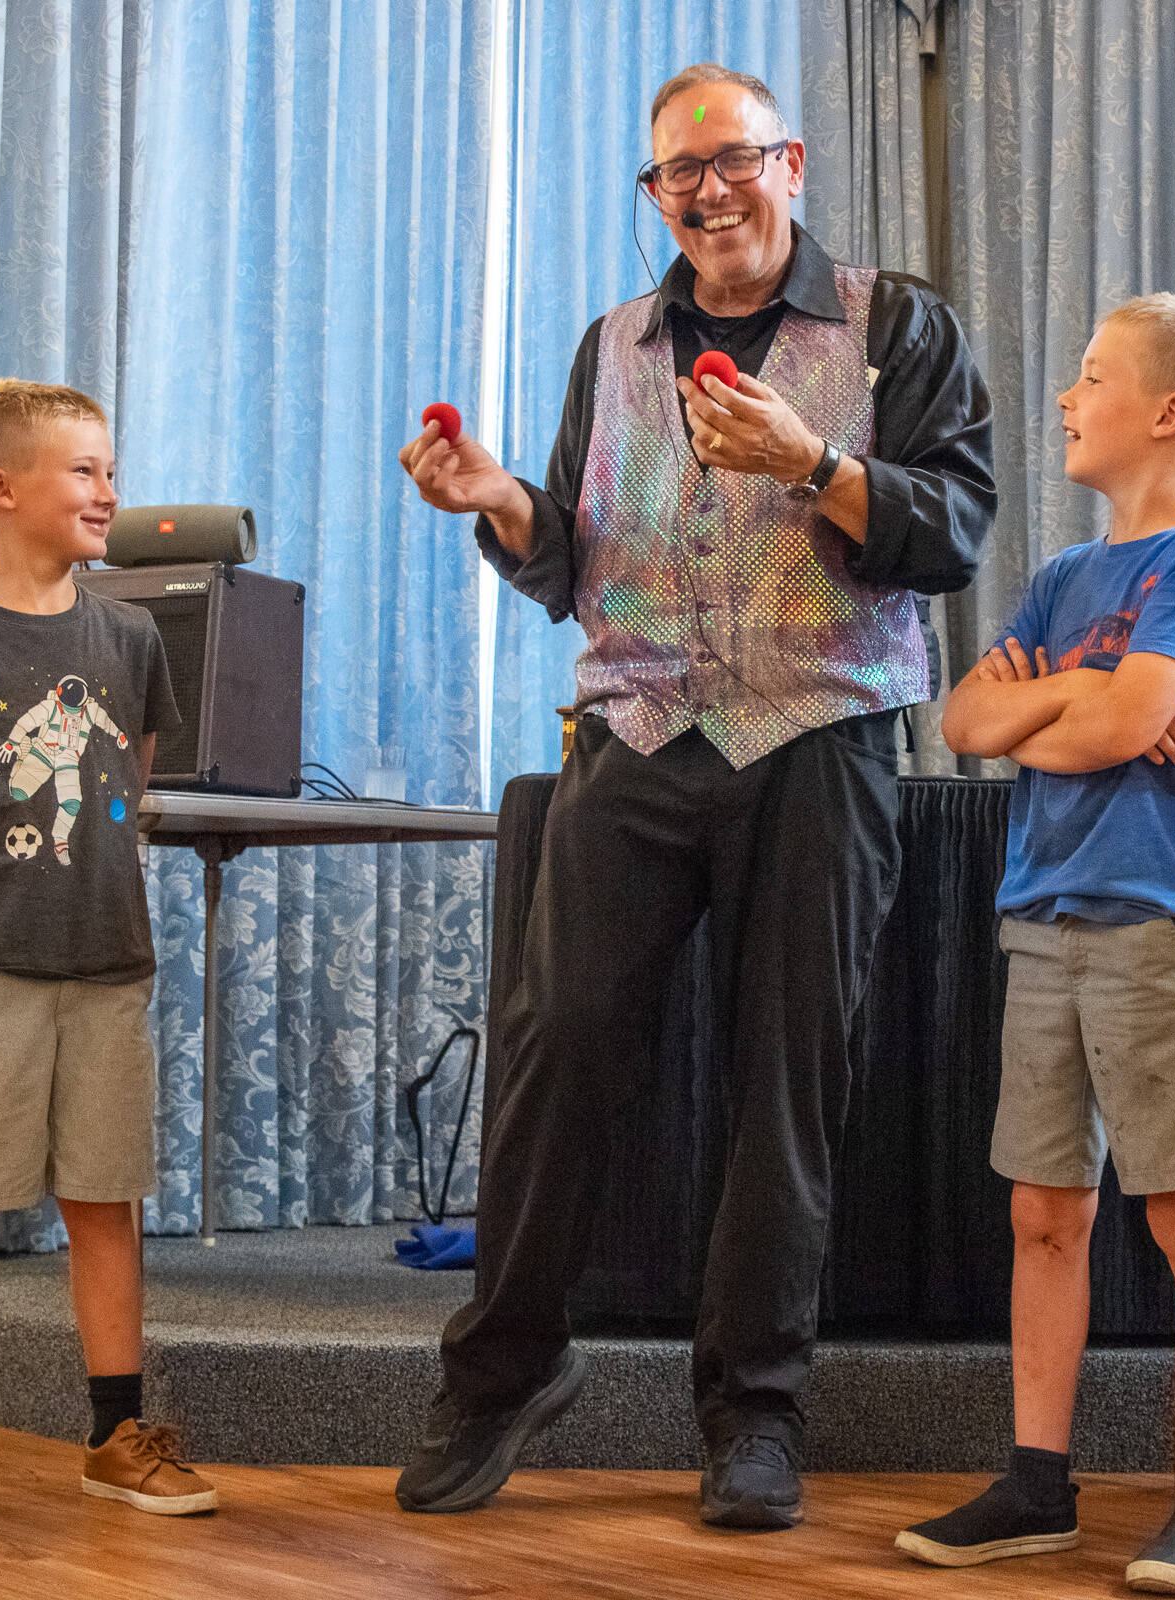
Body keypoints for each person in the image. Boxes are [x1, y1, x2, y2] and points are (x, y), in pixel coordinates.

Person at [395, 63, 996, 1529]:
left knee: (785, 1085)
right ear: (656, 194)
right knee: (556, 1054)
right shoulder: (614, 343)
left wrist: (822, 467)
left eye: (733, 160)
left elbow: (959, 527)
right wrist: (496, 502)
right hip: (641, 730)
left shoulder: (896, 323)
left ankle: (755, 1417)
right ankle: (503, 1373)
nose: (710, 192)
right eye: (682, 173)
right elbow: (570, 555)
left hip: (820, 734)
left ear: (789, 163)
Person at [897, 294, 1175, 1593]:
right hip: (1042, 920)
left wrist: (1059, 710)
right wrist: (1079, 696)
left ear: (1166, 412)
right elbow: (963, 721)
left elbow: (1118, 732)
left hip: (1158, 930)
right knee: (1044, 1211)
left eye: (1091, 375)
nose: (1064, 396)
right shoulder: (1061, 581)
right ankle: (1038, 1480)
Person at [0, 380, 215, 1523]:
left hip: (108, 971)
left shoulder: (127, 636)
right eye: (83, 470)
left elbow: (132, 780)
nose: (107, 489)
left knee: (104, 1202)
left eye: (110, 469)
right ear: (0, 488)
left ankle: (117, 1432)